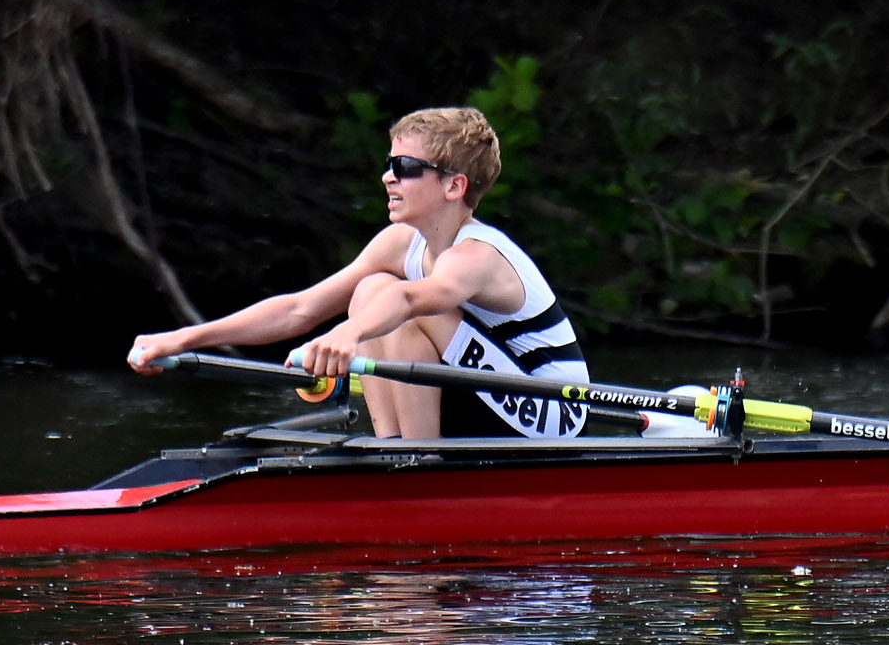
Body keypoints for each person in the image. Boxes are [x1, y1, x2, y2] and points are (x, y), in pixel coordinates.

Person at [124, 106, 588, 439]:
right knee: (372, 288)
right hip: (485, 395)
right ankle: (393, 449)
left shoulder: (477, 256)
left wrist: (347, 335)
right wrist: (183, 339)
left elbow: (409, 302)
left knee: (399, 304)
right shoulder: (398, 244)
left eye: (405, 167)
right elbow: (299, 310)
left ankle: (417, 465)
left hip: (552, 412)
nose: (388, 177)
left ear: (454, 185)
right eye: (389, 165)